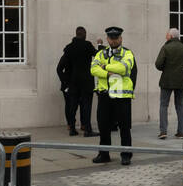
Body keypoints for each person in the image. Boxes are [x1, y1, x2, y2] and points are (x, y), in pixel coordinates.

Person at [91, 26, 138, 166]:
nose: (113, 41)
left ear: (121, 38)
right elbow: (93, 69)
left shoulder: (127, 53)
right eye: (111, 38)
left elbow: (123, 69)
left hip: (122, 97)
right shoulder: (101, 53)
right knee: (103, 127)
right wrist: (107, 74)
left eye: (116, 38)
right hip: (105, 96)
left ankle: (126, 155)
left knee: (124, 127)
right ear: (107, 39)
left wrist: (105, 67)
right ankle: (104, 154)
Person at [154, 27, 183, 140]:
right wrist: (182, 69)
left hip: (166, 81)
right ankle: (181, 132)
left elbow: (158, 64)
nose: (166, 36)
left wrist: (166, 68)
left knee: (163, 105)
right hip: (181, 81)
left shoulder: (166, 47)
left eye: (167, 35)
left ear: (171, 36)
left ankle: (163, 131)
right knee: (180, 106)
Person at [56, 27, 96, 137]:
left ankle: (72, 129)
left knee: (72, 106)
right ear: (85, 35)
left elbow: (59, 68)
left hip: (73, 82)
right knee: (86, 106)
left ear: (76, 34)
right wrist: (100, 46)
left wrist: (65, 82)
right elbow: (97, 55)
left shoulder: (69, 48)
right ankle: (87, 129)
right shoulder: (88, 45)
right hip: (86, 81)